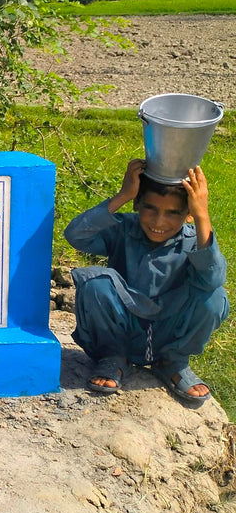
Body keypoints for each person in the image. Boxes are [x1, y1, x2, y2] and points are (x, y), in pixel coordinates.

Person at [65, 159, 228, 405]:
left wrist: (202, 215)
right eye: (150, 208)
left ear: (188, 215)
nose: (159, 222)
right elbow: (76, 235)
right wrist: (123, 194)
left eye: (173, 213)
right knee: (95, 282)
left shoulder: (194, 241)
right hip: (123, 328)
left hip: (168, 329)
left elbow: (213, 279)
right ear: (137, 203)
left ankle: (172, 363)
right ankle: (114, 358)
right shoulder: (124, 229)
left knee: (214, 298)